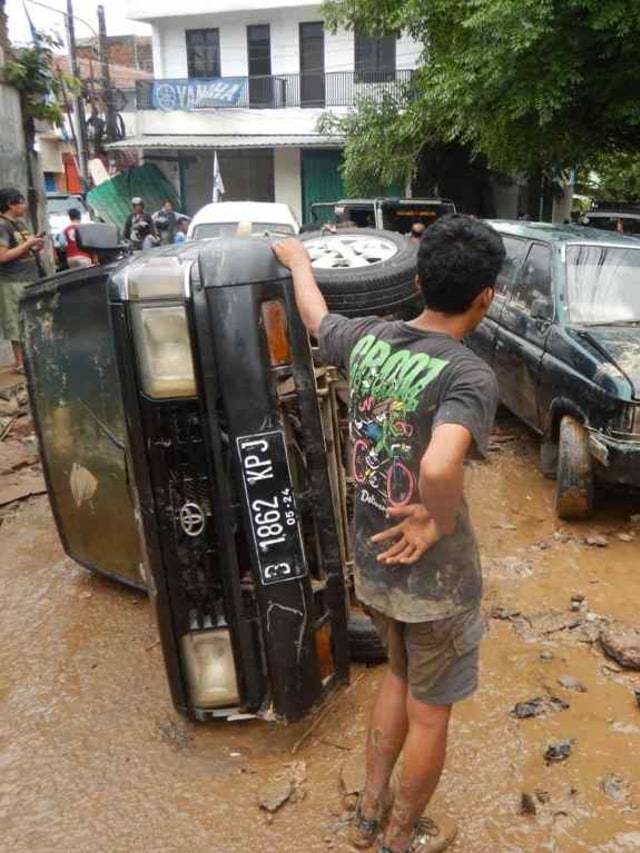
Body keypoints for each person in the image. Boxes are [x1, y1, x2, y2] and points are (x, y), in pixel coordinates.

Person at [273, 214, 505, 853]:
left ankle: (369, 814)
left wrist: (297, 260)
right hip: (435, 581)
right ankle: (401, 838)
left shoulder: (370, 339)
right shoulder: (468, 374)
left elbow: (317, 316)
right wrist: (436, 516)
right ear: (484, 297)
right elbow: (439, 462)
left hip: (374, 562)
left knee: (397, 680)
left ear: (420, 279)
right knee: (432, 711)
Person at [0, 187, 46, 371]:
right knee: (15, 322)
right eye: (22, 201)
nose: (25, 205)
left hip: (29, 279)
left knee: (31, 320)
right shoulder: (2, 226)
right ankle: (21, 363)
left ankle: (31, 359)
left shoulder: (19, 224)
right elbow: (2, 256)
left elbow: (21, 250)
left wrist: (35, 246)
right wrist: (28, 243)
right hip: (13, 282)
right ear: (11, 204)